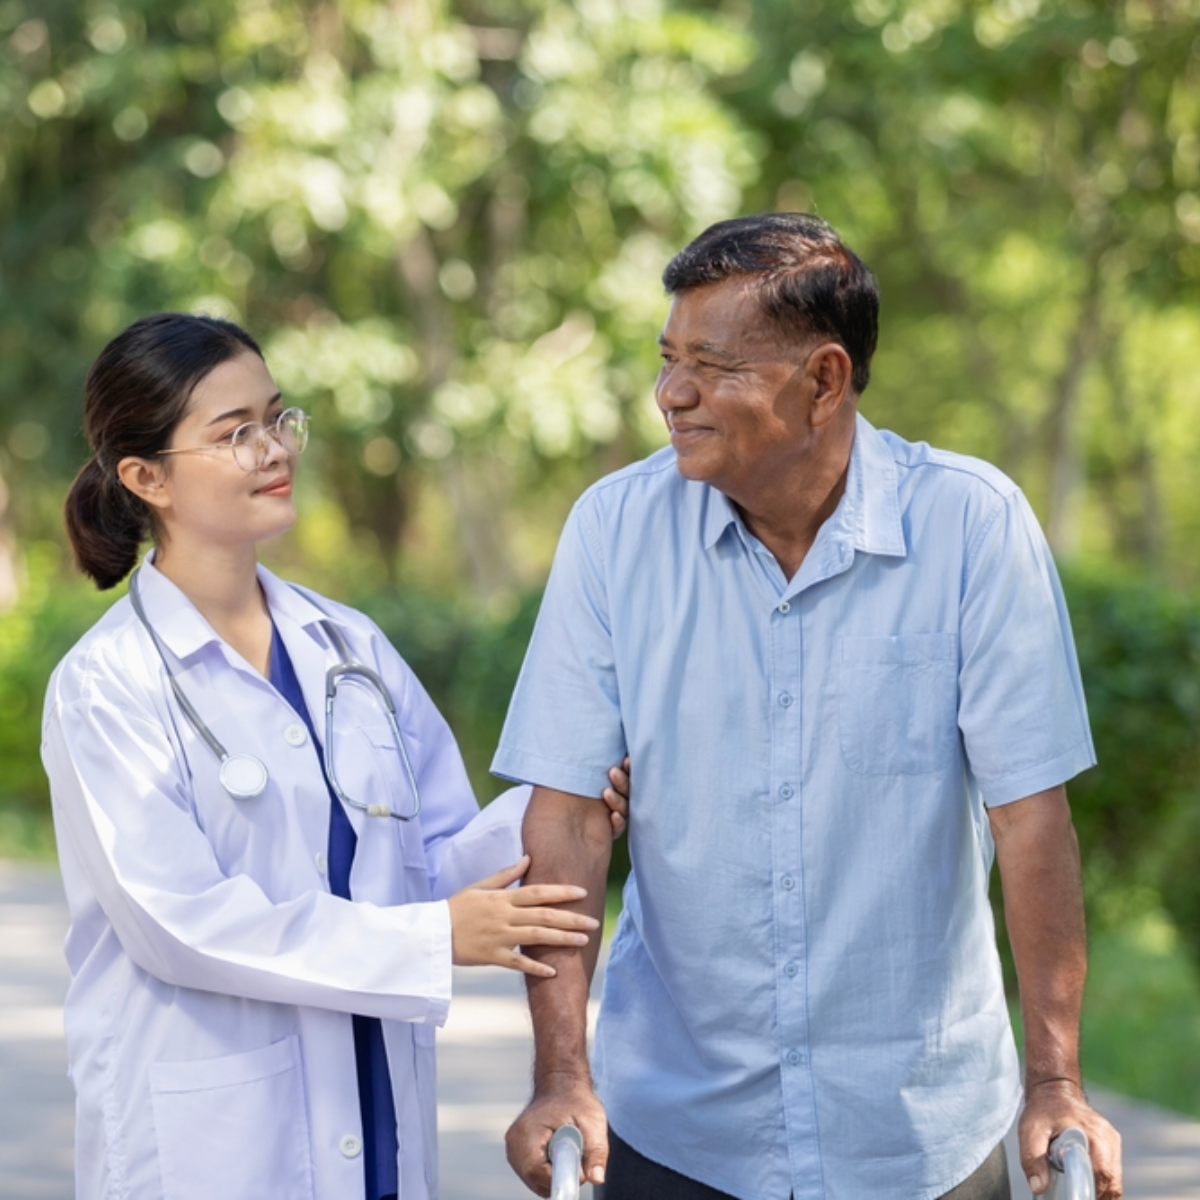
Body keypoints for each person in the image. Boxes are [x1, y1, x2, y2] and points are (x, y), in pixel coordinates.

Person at [494, 214, 1123, 1200]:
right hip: (677, 1127)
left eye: (713, 365)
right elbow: (569, 816)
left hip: (918, 1136)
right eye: (667, 359)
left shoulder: (971, 526)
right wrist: (560, 1077)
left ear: (824, 381)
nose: (672, 395)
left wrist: (1056, 1084)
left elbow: (1030, 818)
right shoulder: (614, 531)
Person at [41, 312, 629, 1200]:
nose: (275, 449)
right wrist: (433, 938)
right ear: (145, 475)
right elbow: (180, 924)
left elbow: (437, 856)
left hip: (373, 1111)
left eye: (278, 419)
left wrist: (570, 797)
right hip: (216, 1146)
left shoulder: (348, 649)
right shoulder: (107, 685)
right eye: (234, 434)